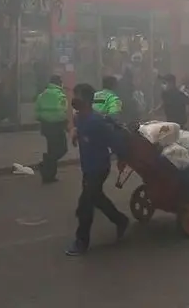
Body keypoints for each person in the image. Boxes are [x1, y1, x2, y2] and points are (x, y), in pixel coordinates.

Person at [66, 83, 129, 256]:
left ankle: (81, 241)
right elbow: (76, 125)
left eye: (77, 96)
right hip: (87, 167)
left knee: (85, 205)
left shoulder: (97, 122)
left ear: (86, 100)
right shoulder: (80, 118)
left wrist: (122, 158)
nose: (74, 100)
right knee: (97, 199)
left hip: (99, 168)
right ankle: (121, 220)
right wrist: (74, 132)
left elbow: (115, 141)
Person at [35, 75, 70, 184]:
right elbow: (65, 111)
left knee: (52, 149)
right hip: (57, 126)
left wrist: (45, 118)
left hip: (46, 127)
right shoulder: (60, 95)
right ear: (59, 83)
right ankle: (46, 164)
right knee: (62, 149)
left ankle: (49, 175)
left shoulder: (42, 95)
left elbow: (37, 112)